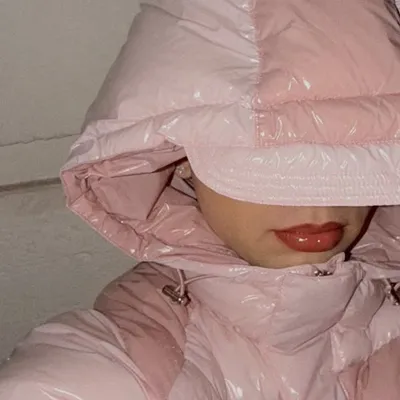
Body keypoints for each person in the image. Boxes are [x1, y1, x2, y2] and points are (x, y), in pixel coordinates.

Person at [2, 0, 400, 398]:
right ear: (181, 159)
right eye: (277, 170)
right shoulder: (131, 365)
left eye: (358, 163)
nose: (321, 205)